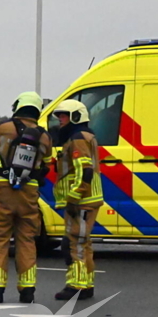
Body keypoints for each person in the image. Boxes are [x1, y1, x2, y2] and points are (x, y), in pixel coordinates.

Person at [0, 92, 54, 303]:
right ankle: (27, 291)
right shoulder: (44, 136)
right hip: (29, 192)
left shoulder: (3, 127)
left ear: (18, 106)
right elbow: (49, 159)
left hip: (4, 190)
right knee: (27, 240)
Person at [51, 100, 103, 301]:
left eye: (64, 116)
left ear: (75, 117)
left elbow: (84, 170)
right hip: (87, 198)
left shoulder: (78, 138)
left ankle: (77, 286)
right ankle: (86, 284)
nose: (60, 121)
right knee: (83, 242)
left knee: (75, 242)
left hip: (82, 200)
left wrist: (74, 197)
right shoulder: (83, 136)